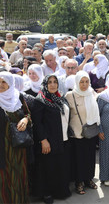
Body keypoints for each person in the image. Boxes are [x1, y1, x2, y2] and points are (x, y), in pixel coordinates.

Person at [32, 75, 71, 203]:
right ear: (45, 84)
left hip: (62, 139)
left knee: (59, 167)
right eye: (50, 82)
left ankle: (59, 191)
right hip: (48, 141)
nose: (53, 85)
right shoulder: (40, 100)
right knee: (47, 168)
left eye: (55, 82)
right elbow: (37, 123)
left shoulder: (60, 99)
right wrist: (43, 140)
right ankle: (46, 193)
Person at [65, 71, 100, 195]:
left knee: (90, 157)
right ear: (77, 82)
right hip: (77, 133)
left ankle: (88, 179)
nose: (84, 84)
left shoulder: (91, 93)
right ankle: (79, 182)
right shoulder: (70, 95)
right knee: (79, 159)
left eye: (86, 81)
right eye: (81, 82)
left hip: (90, 132)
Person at [0, 72, 30, 204]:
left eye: (3, 82)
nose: (0, 85)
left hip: (17, 145)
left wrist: (25, 119)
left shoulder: (18, 97)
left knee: (18, 174)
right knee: (4, 176)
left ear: (10, 83)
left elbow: (28, 113)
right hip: (2, 146)